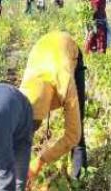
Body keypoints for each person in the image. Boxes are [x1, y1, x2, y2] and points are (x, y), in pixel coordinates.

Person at [19, 31, 88, 180]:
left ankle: (78, 180)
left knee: (78, 132)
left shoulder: (65, 82)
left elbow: (73, 135)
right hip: (42, 49)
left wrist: (40, 160)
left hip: (66, 49)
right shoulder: (24, 92)